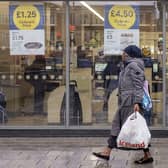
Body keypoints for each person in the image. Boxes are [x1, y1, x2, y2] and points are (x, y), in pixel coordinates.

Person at [92, 45, 153, 164]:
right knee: (126, 126)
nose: (122, 55)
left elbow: (138, 85)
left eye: (124, 53)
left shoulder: (133, 66)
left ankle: (107, 151)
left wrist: (137, 102)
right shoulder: (127, 66)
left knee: (128, 127)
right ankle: (146, 154)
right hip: (126, 101)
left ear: (129, 55)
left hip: (130, 102)